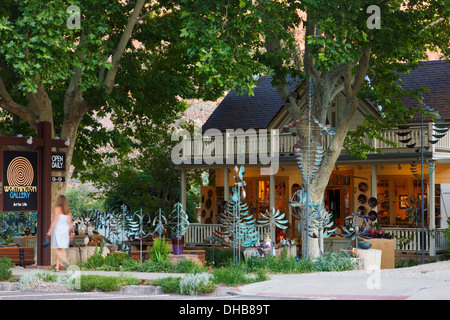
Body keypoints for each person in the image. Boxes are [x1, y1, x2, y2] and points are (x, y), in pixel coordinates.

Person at [47, 195, 73, 271]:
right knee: (60, 249)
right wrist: (70, 234)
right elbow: (70, 223)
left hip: (58, 230)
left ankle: (66, 262)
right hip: (65, 230)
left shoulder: (57, 209)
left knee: (57, 249)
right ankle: (57, 267)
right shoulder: (68, 211)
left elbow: (55, 220)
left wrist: (50, 230)